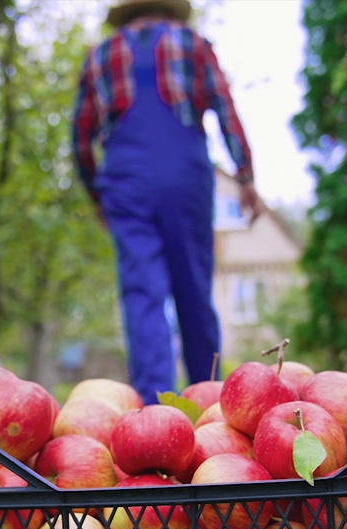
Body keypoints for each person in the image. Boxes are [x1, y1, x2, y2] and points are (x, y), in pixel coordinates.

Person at [72, 0, 262, 404]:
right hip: (185, 179)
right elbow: (226, 111)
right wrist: (244, 175)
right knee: (193, 288)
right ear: (170, 10)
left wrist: (96, 194)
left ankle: (156, 414)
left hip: (125, 184)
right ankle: (210, 403)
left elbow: (81, 138)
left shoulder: (100, 56)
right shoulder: (193, 44)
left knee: (143, 295)